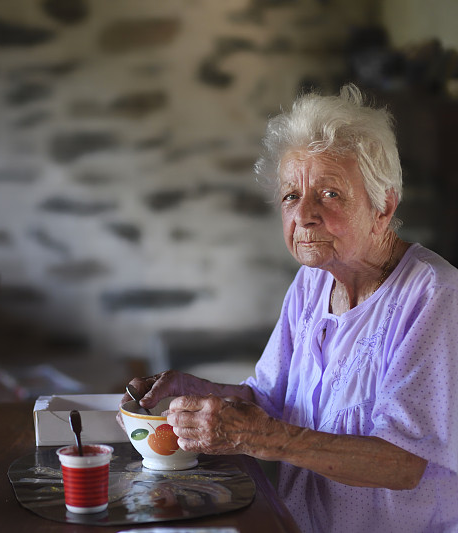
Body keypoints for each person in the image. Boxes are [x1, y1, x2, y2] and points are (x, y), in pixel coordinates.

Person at [122, 84, 458, 533]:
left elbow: (403, 464)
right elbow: (270, 400)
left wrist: (264, 438)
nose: (303, 214)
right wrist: (194, 390)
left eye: (330, 194)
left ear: (384, 205)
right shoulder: (311, 283)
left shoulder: (435, 296)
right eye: (290, 196)